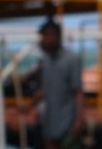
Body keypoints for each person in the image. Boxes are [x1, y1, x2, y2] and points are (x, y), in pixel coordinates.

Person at [20, 19, 85, 149]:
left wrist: (78, 120)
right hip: (49, 122)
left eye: (45, 36)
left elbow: (78, 92)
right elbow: (42, 92)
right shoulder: (44, 60)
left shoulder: (71, 59)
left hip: (67, 122)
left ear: (55, 36)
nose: (42, 40)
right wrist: (27, 108)